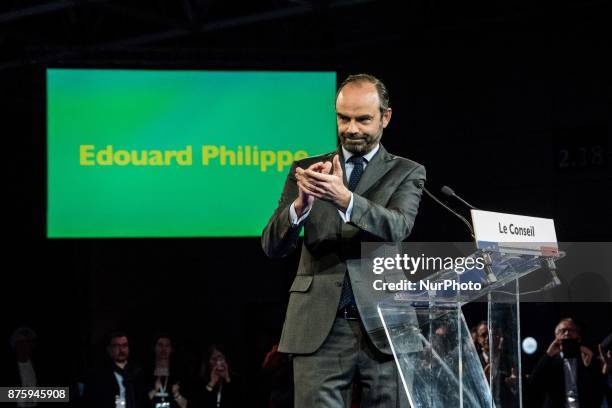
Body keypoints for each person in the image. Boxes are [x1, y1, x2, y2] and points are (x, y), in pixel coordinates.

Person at [262, 73, 426, 407]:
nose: (351, 129)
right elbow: (272, 246)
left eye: (363, 119)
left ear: (385, 117)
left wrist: (345, 199)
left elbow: (398, 226)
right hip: (319, 327)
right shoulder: (307, 170)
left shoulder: (406, 172)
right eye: (343, 118)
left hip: (384, 328)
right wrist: (300, 207)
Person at [529, 318, 604, 408]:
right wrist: (548, 354)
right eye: (562, 331)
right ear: (556, 336)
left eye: (572, 330)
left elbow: (598, 390)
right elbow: (533, 383)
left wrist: (590, 365)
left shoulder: (588, 356)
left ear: (579, 337)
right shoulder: (549, 360)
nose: (567, 333)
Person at [83, 331, 148, 408]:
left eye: (124, 345)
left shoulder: (138, 372)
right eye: (116, 346)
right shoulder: (99, 374)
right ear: (109, 349)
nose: (121, 350)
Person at [146, 334, 188, 408]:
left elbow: (185, 405)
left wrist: (177, 395)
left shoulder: (179, 373)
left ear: (171, 349)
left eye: (167, 345)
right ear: (154, 348)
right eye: (160, 345)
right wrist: (154, 391)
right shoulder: (145, 373)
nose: (164, 349)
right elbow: (137, 402)